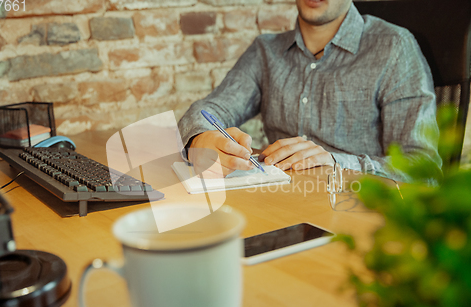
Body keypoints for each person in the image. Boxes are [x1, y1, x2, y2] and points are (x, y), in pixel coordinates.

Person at [178, 0, 441, 180]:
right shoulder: (265, 51)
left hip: (355, 215)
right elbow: (207, 110)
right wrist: (199, 140)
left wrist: (337, 163)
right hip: (279, 211)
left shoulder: (394, 47)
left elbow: (424, 169)